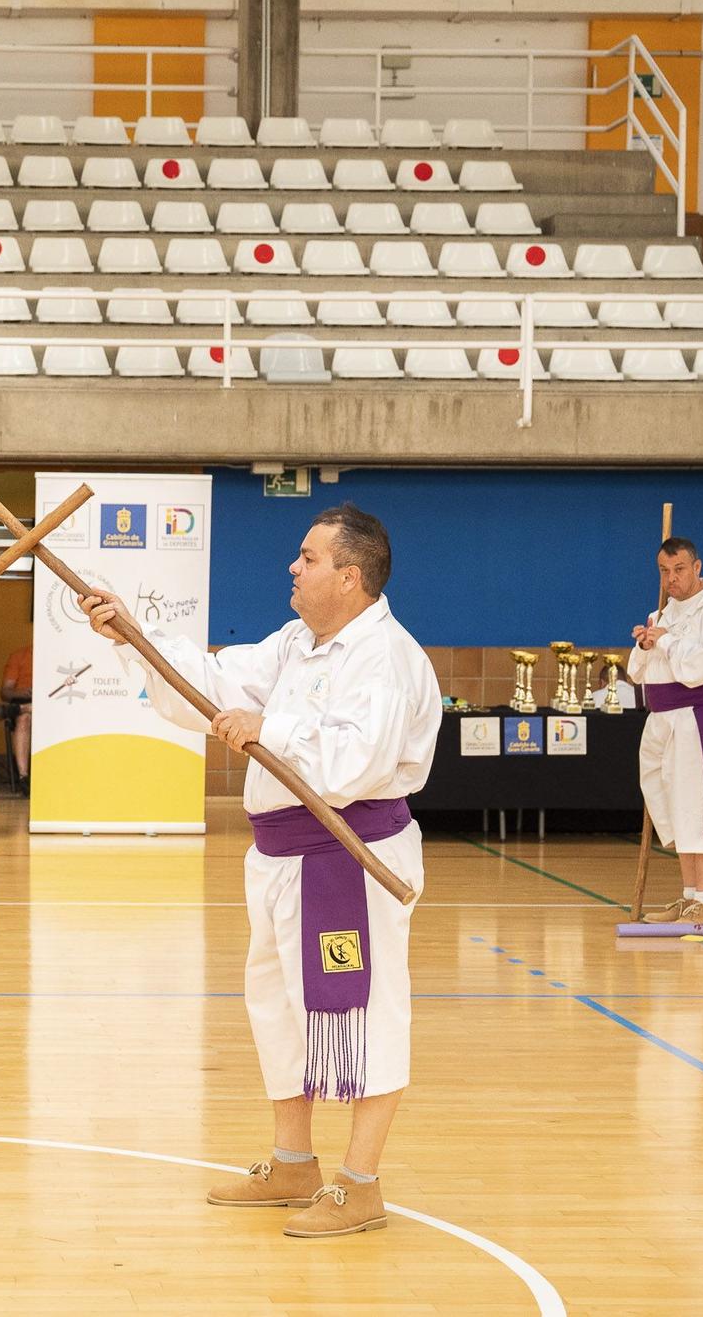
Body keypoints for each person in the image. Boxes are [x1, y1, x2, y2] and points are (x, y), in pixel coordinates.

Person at [82, 503, 439, 1240]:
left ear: (350, 576)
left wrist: (268, 727)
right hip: (279, 856)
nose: (292, 567)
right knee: (278, 1009)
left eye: (307, 558)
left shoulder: (388, 657)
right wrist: (133, 636)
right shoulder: (297, 645)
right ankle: (293, 1162)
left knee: (362, 1012)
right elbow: (210, 683)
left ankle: (361, 1183)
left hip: (348, 857)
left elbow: (355, 761)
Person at [626, 537, 703, 927]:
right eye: (664, 571)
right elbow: (636, 672)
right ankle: (687, 898)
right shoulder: (661, 613)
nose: (671, 579)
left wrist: (668, 643)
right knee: (677, 804)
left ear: (697, 567)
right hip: (665, 719)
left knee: (702, 806)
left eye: (679, 569)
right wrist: (648, 643)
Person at [1, 640, 32, 791]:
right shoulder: (20, 656)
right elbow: (5, 692)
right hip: (24, 700)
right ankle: (23, 776)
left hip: (52, 702)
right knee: (24, 719)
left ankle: (24, 708)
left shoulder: (57, 655)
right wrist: (23, 692)